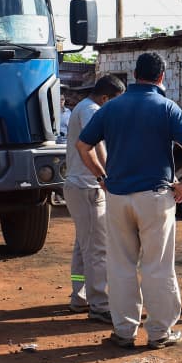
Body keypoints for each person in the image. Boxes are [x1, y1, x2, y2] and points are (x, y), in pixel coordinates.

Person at [76, 52, 182, 350]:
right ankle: (158, 332)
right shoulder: (168, 108)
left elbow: (84, 145)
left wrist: (101, 176)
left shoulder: (111, 107)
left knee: (120, 266)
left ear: (135, 74)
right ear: (161, 76)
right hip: (155, 198)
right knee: (156, 266)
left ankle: (124, 331)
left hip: (117, 197)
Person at [64, 75, 126, 323]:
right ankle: (100, 304)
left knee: (83, 247)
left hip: (79, 186)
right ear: (105, 98)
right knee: (97, 250)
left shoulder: (82, 107)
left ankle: (79, 296)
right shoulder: (91, 110)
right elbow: (94, 143)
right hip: (88, 187)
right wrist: (105, 176)